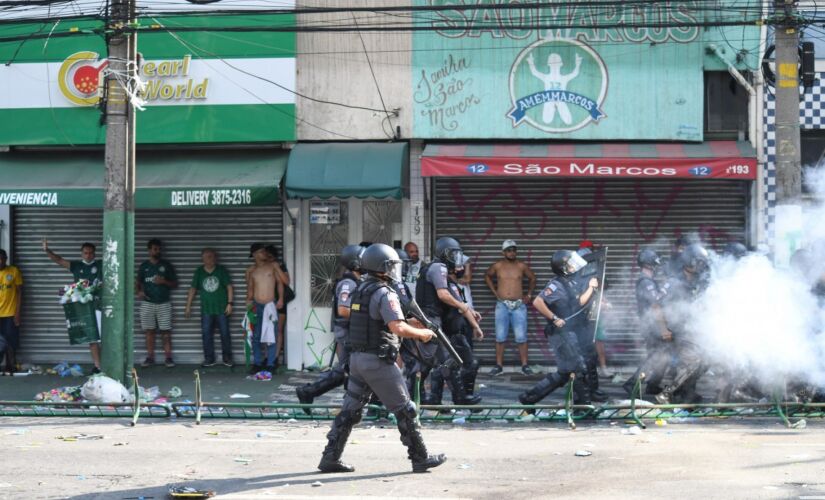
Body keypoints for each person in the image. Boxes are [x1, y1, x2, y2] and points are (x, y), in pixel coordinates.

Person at [318, 243, 446, 474]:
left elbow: (378, 320)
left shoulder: (361, 288)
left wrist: (414, 322)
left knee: (351, 410)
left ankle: (330, 457)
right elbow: (396, 327)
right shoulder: (384, 292)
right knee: (406, 409)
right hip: (377, 361)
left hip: (357, 359)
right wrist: (423, 334)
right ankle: (420, 458)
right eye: (392, 265)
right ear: (383, 267)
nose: (394, 270)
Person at [518, 250, 598, 408]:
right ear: (563, 267)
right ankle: (583, 406)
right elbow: (537, 302)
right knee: (578, 368)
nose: (574, 265)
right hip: (560, 334)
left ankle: (528, 398)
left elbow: (579, 303)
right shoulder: (556, 284)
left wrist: (590, 288)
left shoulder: (570, 282)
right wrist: (554, 318)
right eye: (570, 263)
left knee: (565, 373)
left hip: (568, 333)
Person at [296, 244, 364, 412]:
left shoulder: (356, 281)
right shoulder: (348, 283)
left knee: (350, 370)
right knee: (346, 370)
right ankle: (308, 391)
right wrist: (363, 311)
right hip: (348, 333)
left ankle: (348, 402)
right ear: (355, 262)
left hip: (352, 332)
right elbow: (343, 309)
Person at [416, 237, 484, 404]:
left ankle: (430, 400)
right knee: (445, 362)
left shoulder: (433, 268)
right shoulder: (439, 267)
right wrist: (462, 305)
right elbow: (443, 295)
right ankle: (458, 398)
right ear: (445, 253)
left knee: (431, 363)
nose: (457, 259)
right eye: (454, 254)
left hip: (431, 319)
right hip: (431, 319)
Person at [654, 243, 712, 405]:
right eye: (698, 262)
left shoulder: (698, 281)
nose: (701, 265)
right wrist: (663, 328)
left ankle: (687, 395)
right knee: (692, 362)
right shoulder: (673, 282)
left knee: (704, 361)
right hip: (680, 330)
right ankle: (667, 394)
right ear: (689, 261)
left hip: (695, 329)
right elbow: (656, 305)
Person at [43, 240, 103, 374]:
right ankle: (98, 366)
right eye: (85, 253)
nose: (88, 255)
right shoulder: (76, 265)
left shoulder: (101, 264)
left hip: (100, 305)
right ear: (81, 254)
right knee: (92, 338)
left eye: (90, 253)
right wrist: (47, 250)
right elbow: (59, 260)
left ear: (94, 254)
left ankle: (108, 364)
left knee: (104, 337)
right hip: (84, 307)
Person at [622, 248, 672, 397]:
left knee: (662, 356)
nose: (658, 266)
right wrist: (667, 287)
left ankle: (652, 385)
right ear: (649, 264)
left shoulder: (649, 281)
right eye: (655, 263)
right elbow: (655, 304)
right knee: (656, 357)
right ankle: (632, 384)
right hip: (652, 326)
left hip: (652, 324)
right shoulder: (645, 282)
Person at [484, 239, 536, 376]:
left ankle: (525, 365)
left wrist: (529, 294)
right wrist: (495, 292)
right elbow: (487, 276)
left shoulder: (521, 266)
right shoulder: (497, 266)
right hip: (502, 305)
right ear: (503, 252)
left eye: (513, 250)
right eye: (508, 250)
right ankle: (498, 365)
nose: (512, 252)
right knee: (500, 336)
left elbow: (532, 278)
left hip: (519, 305)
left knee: (521, 337)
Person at [185, 248, 234, 367]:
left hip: (222, 308)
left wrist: (230, 303)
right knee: (206, 334)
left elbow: (229, 287)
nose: (211, 259)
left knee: (225, 333)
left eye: (213, 256)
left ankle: (227, 358)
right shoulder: (199, 272)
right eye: (208, 256)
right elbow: (193, 289)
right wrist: (188, 306)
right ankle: (209, 358)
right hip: (206, 309)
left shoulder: (221, 270)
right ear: (203, 259)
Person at [572, 244, 608, 402]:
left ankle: (592, 389)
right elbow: (579, 301)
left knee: (590, 356)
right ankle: (582, 393)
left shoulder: (586, 275)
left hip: (587, 321)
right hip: (577, 323)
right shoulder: (574, 278)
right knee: (580, 359)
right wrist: (591, 288)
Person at [136, 239, 178, 368]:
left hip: (164, 303)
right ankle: (150, 357)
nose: (157, 251)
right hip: (147, 303)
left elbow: (175, 284)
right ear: (149, 250)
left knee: (166, 332)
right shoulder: (144, 266)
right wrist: (139, 292)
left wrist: (164, 282)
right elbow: (137, 283)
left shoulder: (166, 265)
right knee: (149, 331)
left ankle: (168, 358)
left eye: (159, 249)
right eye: (155, 249)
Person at [246, 242, 285, 373]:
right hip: (257, 305)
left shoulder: (273, 267)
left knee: (272, 335)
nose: (265, 254)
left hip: (270, 305)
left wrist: (280, 299)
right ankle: (257, 363)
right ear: (255, 255)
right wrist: (248, 303)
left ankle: (270, 363)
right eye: (262, 252)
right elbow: (250, 288)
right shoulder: (251, 270)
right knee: (256, 336)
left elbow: (281, 283)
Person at [265, 245, 290, 366]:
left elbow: (286, 281)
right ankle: (267, 356)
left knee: (278, 330)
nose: (268, 259)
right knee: (265, 330)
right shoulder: (262, 267)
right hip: (265, 302)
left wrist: (277, 267)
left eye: (270, 256)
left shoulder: (280, 265)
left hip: (279, 301)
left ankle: (275, 357)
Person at [0, 249, 23, 375]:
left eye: (2, 259)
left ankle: (10, 365)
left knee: (10, 340)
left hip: (9, 313)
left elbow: (20, 293)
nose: (0, 261)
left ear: (6, 259)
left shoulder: (13, 271)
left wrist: (17, 313)